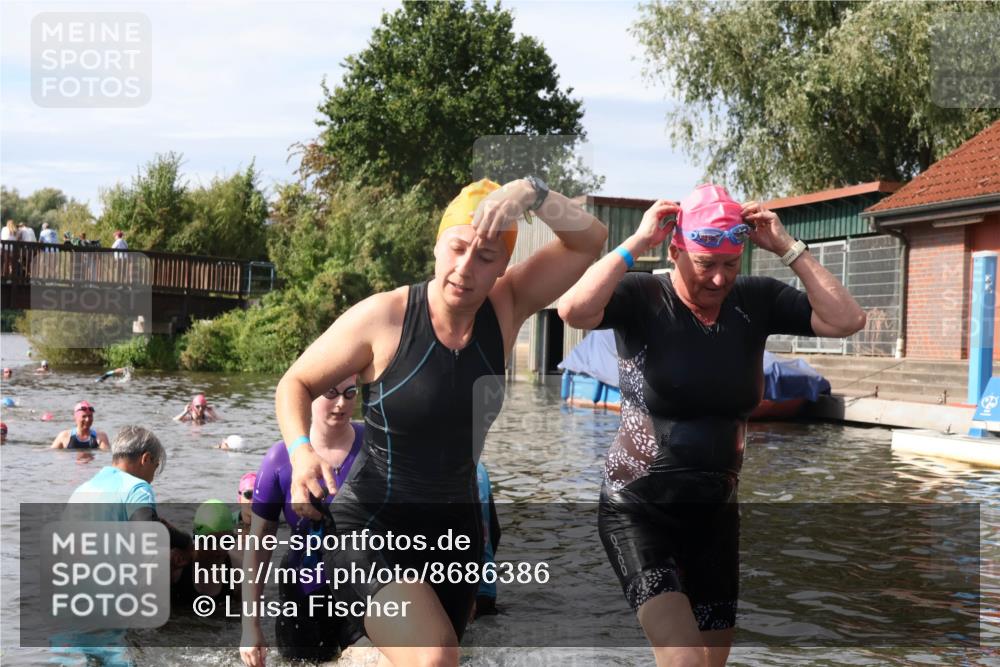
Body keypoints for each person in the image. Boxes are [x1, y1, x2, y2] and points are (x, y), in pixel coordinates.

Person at [270, 176, 607, 667]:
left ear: (503, 266)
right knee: (434, 656)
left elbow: (591, 239)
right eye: (457, 248)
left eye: (486, 257)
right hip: (372, 522)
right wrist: (301, 452)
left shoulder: (508, 305)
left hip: (455, 532)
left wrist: (532, 193)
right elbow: (294, 383)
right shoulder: (384, 318)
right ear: (437, 246)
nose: (465, 269)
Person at [558, 184, 866, 667]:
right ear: (677, 250)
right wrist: (636, 242)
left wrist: (788, 248)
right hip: (638, 510)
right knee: (684, 660)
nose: (720, 279)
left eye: (731, 264)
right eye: (706, 264)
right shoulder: (642, 296)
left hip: (715, 516)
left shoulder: (756, 300)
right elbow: (572, 310)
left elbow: (847, 320)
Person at [240, 377, 365, 665]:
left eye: (350, 393)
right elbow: (258, 546)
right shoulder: (280, 459)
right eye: (331, 393)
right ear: (307, 397)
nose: (341, 403)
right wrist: (251, 626)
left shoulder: (374, 449)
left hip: (363, 589)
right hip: (302, 592)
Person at [54, 426, 169, 666]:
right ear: (146, 459)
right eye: (155, 467)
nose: (152, 476)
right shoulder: (137, 488)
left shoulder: (83, 489)